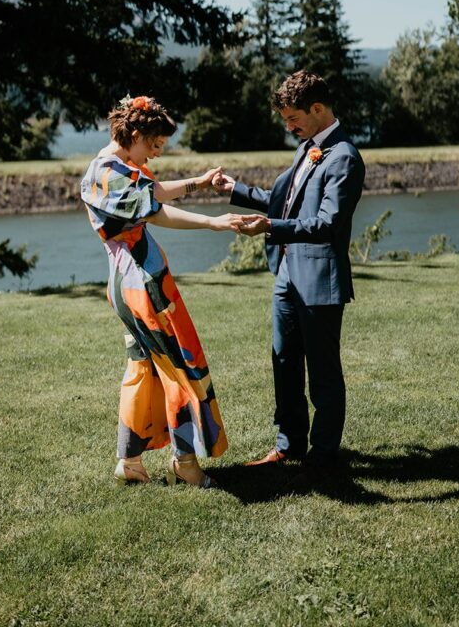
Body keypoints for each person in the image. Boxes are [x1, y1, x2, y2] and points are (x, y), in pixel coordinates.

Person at [81, 95, 238, 489]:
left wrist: (197, 183)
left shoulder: (111, 165)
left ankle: (129, 461)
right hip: (143, 285)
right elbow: (154, 210)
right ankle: (185, 462)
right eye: (152, 146)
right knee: (178, 369)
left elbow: (153, 191)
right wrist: (214, 224)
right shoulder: (110, 173)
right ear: (134, 134)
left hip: (125, 282)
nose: (153, 156)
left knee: (143, 368)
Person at [214, 70, 365, 479]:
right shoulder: (308, 148)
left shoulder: (344, 156)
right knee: (283, 361)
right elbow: (283, 204)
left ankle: (323, 455)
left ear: (317, 109)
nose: (289, 126)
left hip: (318, 279)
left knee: (323, 373)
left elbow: (327, 224)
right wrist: (234, 188)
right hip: (287, 275)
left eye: (293, 117)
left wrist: (270, 229)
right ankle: (288, 445)